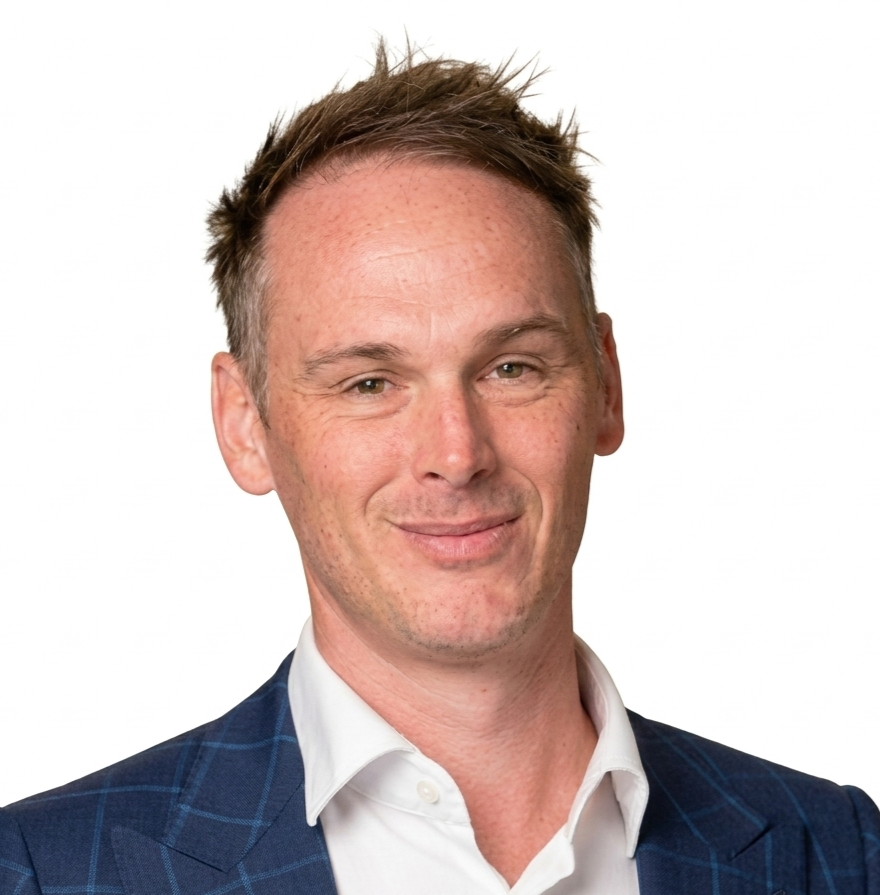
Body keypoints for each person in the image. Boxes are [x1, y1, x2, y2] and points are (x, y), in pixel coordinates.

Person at [2, 44, 877, 895]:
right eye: (369, 383)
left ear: (606, 385)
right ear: (244, 424)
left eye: (512, 367)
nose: (456, 454)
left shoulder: (843, 853)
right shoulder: (45, 872)